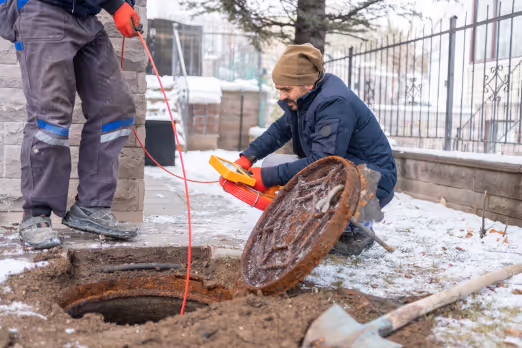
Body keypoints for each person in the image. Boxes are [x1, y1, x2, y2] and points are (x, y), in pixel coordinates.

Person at [0, 0, 142, 249]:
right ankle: (36, 215)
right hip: (43, 8)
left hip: (85, 15)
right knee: (50, 118)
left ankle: (91, 207)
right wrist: (116, 4)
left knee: (115, 108)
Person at [234, 43, 397, 256]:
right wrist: (248, 157)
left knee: (284, 175)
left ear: (307, 84)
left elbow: (324, 160)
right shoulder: (304, 98)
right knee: (272, 164)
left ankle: (356, 232)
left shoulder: (334, 103)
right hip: (343, 169)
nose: (281, 96)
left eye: (286, 89)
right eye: (279, 89)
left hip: (373, 180)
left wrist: (267, 177)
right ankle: (331, 222)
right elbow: (280, 130)